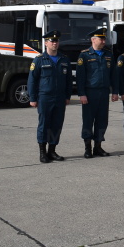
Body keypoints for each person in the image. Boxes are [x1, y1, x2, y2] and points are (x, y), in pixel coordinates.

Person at [28, 30, 73, 163]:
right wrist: (33, 98)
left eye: (56, 41)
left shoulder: (64, 59)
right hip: (45, 97)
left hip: (59, 98)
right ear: (46, 43)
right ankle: (43, 152)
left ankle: (52, 151)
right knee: (44, 124)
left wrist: (67, 96)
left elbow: (68, 80)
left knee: (57, 124)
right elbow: (32, 80)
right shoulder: (39, 60)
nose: (54, 43)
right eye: (52, 41)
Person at [76, 27, 117, 158]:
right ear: (93, 40)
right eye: (101, 38)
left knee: (102, 120)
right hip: (90, 93)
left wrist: (115, 91)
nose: (104, 41)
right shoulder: (85, 55)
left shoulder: (109, 55)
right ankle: (87, 148)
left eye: (104, 38)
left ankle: (98, 147)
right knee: (88, 121)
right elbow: (80, 77)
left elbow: (113, 75)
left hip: (104, 92)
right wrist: (81, 94)